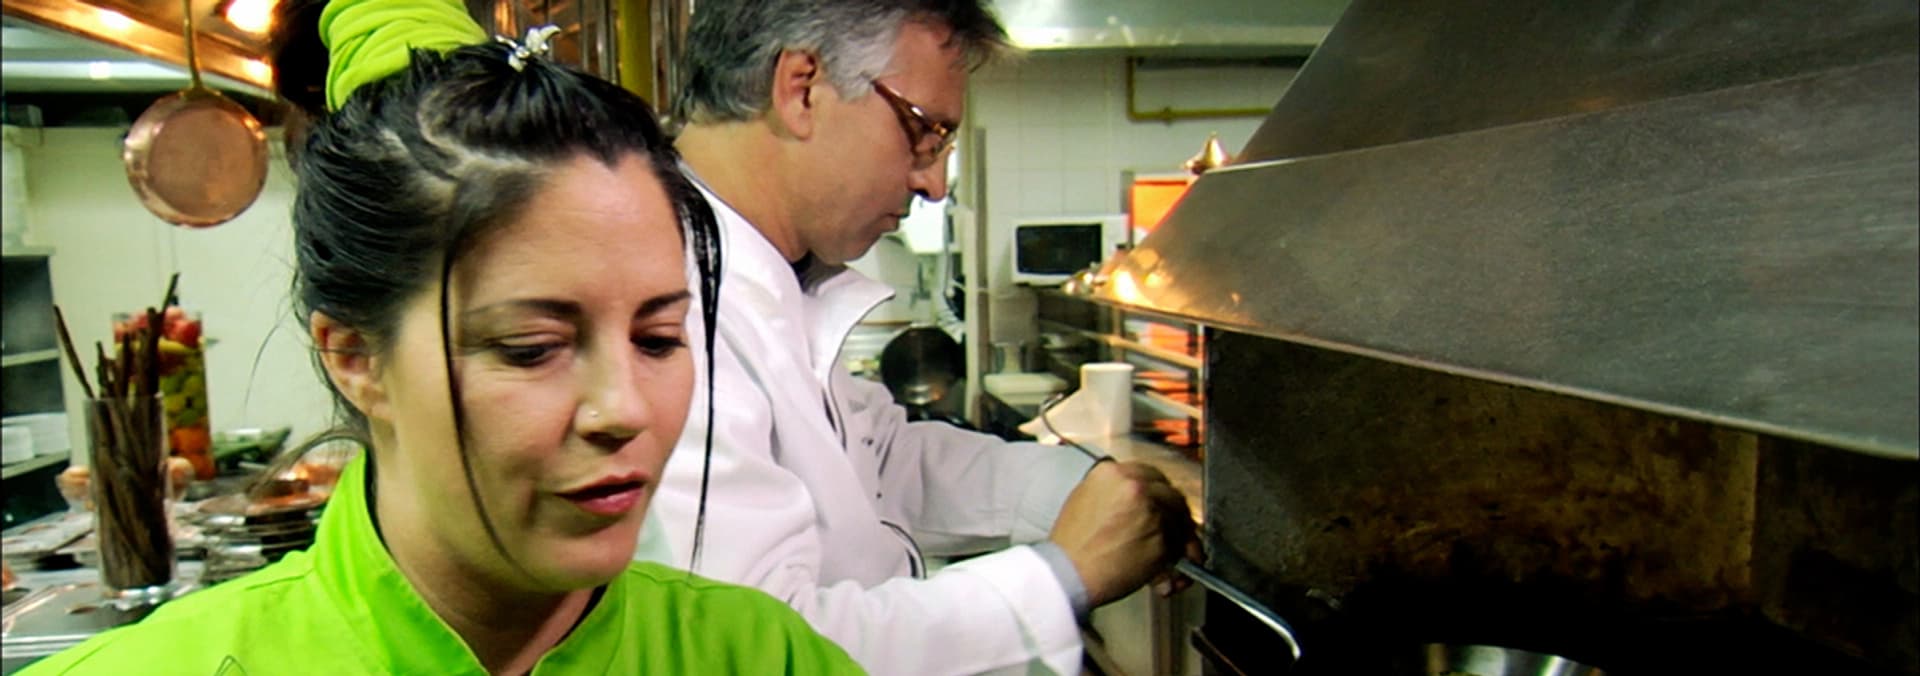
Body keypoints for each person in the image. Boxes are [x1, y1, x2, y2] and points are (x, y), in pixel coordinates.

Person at [21, 0, 862, 673]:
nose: (625, 410)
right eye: (532, 348)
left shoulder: (761, 656)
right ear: (356, 357)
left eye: (659, 338)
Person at [634, 1, 1198, 673]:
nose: (933, 184)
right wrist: (1062, 577)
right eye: (925, 133)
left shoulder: (768, 274)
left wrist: (1090, 489)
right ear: (802, 88)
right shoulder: (670, 309)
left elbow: (882, 462)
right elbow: (752, 653)